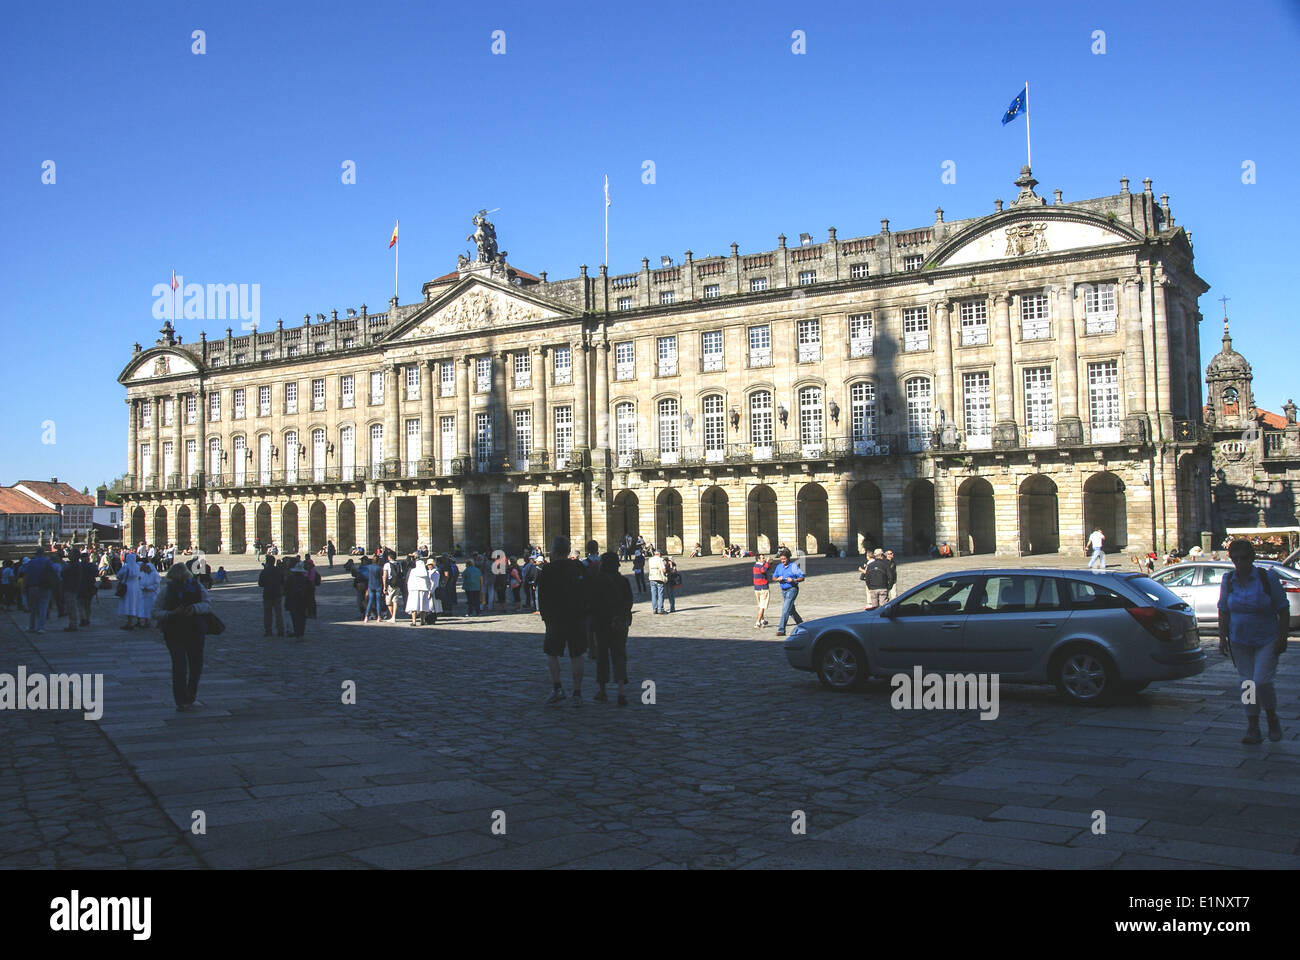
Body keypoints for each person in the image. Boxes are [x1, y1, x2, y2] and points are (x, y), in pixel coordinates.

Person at [1218, 539, 1289, 744]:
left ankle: (1271, 716)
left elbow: (1283, 608)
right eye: (1235, 558)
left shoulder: (1267, 578)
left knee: (1262, 681)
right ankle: (1252, 725)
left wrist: (1282, 637)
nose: (1240, 562)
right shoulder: (1228, 580)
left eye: (1244, 558)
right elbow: (1223, 609)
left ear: (1252, 558)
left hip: (1267, 638)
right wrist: (1222, 638)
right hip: (1240, 640)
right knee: (1247, 684)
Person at [537, 536, 590, 706]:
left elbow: (542, 597)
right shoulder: (579, 567)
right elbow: (587, 591)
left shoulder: (547, 570)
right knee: (577, 655)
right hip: (577, 617)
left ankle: (557, 688)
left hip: (555, 618)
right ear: (568, 551)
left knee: (552, 654)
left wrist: (545, 617)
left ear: (553, 550)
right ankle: (577, 693)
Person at [153, 563, 212, 712]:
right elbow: (155, 611)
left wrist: (194, 608)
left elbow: (207, 604)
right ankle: (182, 699)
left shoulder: (197, 587)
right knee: (181, 665)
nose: (181, 581)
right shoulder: (167, 590)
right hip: (175, 631)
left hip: (194, 630)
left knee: (194, 665)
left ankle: (189, 696)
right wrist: (171, 613)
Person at [591, 552, 634, 706]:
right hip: (620, 624)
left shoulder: (597, 582)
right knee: (620, 656)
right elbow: (629, 602)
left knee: (602, 657)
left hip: (601, 625)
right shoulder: (623, 581)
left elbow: (593, 604)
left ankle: (602, 691)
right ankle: (621, 692)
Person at [772, 548, 805, 637]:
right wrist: (777, 579)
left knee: (785, 609)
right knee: (791, 610)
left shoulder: (794, 566)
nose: (782, 561)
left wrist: (793, 580)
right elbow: (774, 577)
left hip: (792, 589)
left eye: (784, 559)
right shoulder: (779, 566)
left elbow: (802, 577)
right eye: (781, 559)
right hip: (783, 590)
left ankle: (781, 629)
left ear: (788, 558)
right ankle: (802, 624)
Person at [283, 557, 314, 639]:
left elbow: (286, 590)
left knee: (295, 618)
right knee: (302, 618)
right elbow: (310, 591)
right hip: (303, 601)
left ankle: (297, 633)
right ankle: (301, 633)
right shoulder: (305, 580)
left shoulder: (291, 579)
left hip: (293, 601)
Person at [259, 555, 285, 637]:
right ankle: (280, 630)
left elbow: (260, 584)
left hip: (267, 594)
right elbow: (282, 581)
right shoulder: (278, 571)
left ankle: (268, 630)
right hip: (277, 594)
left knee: (267, 614)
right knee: (278, 613)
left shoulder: (264, 571)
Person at [116, 551, 144, 631]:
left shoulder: (126, 567)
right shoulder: (137, 566)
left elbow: (118, 575)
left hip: (127, 586)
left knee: (128, 604)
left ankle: (129, 622)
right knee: (134, 603)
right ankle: (136, 620)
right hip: (136, 587)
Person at [406, 557, 433, 626]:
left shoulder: (413, 571)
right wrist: (429, 590)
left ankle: (414, 621)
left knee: (414, 606)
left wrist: (409, 589)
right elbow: (428, 582)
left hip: (414, 590)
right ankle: (422, 620)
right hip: (423, 590)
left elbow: (409, 581)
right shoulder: (425, 572)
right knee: (422, 606)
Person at [60, 550, 82, 632]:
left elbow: (64, 573)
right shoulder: (75, 565)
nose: (68, 555)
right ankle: (72, 623)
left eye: (70, 554)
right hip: (72, 588)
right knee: (71, 606)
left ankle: (73, 624)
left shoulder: (73, 565)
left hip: (71, 588)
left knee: (71, 607)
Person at [752, 553, 774, 628]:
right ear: (758, 559)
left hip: (757, 588)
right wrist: (767, 563)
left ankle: (762, 620)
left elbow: (766, 568)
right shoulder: (759, 566)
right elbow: (763, 570)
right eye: (763, 558)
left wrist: (769, 563)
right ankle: (757, 622)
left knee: (760, 605)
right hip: (763, 588)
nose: (764, 559)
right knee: (762, 606)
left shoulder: (755, 566)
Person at [138, 560, 161, 626]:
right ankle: (146, 621)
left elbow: (156, 584)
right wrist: (142, 588)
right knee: (145, 608)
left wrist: (149, 588)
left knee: (154, 608)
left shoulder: (155, 575)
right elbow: (139, 582)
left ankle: (157, 622)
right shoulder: (143, 574)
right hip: (145, 594)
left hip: (153, 594)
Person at [646, 549, 667, 614]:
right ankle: (660, 609)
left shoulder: (650, 559)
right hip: (659, 578)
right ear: (659, 554)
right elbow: (664, 570)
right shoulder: (660, 560)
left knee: (653, 594)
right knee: (660, 594)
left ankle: (654, 609)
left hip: (652, 577)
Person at [364, 555, 384, 622]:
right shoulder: (380, 568)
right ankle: (379, 617)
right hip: (378, 585)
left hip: (371, 585)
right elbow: (381, 577)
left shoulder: (368, 567)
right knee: (378, 602)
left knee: (370, 601)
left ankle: (366, 617)